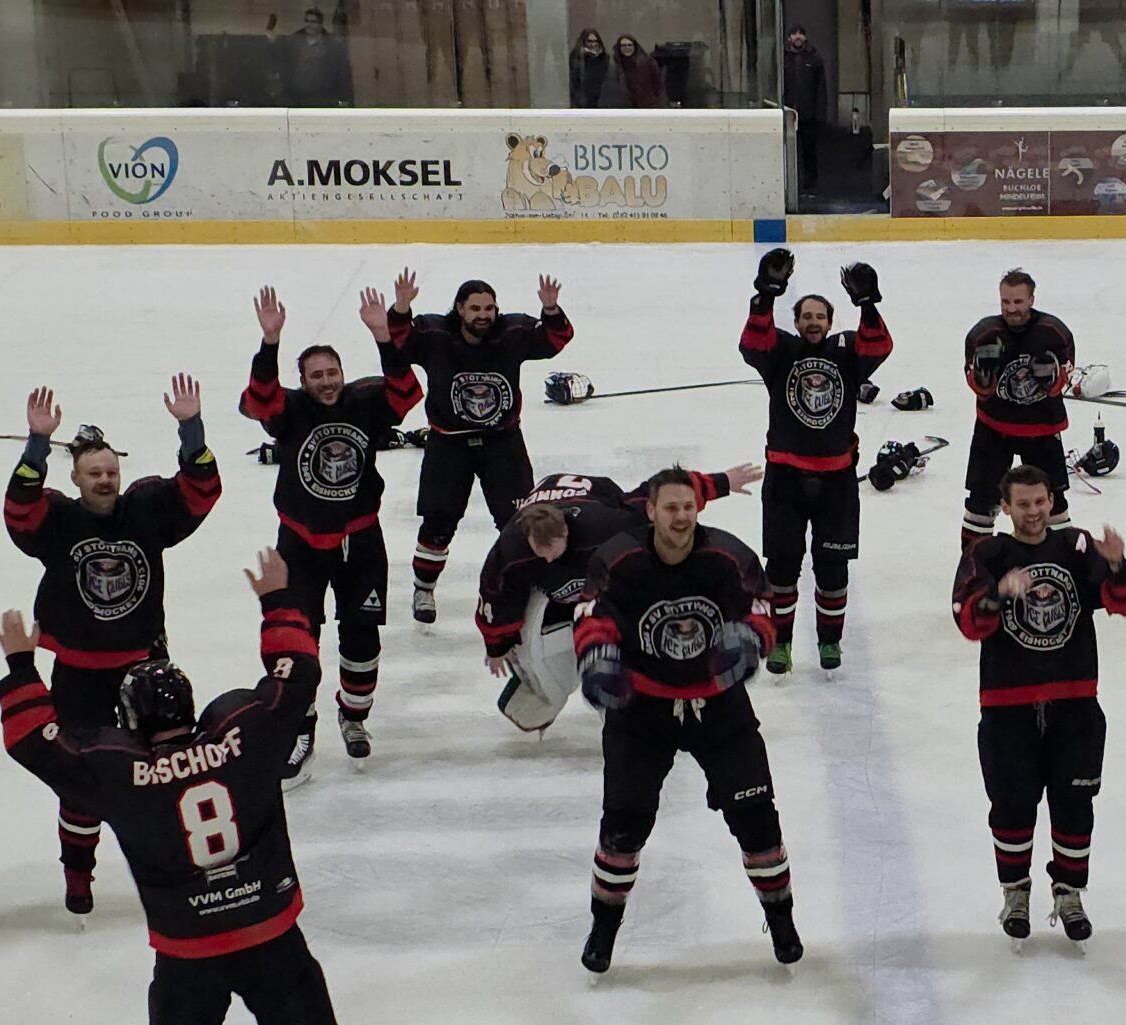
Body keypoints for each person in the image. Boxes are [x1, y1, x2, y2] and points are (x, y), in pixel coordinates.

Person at [0, 551, 388, 1025]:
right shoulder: (244, 733)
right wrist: (277, 603)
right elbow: (297, 676)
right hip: (271, 934)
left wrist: (23, 666)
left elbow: (31, 739)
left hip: (186, 952)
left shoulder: (118, 768)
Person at [5, 379, 221, 918]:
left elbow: (202, 490)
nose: (104, 481)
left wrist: (190, 429)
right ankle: (79, 877)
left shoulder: (146, 509)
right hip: (78, 672)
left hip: (144, 670)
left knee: (164, 771)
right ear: (74, 478)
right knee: (80, 783)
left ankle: (172, 868)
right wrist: (36, 445)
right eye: (93, 474)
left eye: (110, 473)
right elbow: (18, 510)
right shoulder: (58, 519)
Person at [571, 468, 798, 973]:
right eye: (670, 508)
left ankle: (781, 923)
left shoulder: (728, 556)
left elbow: (762, 604)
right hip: (641, 709)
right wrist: (598, 657)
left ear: (699, 510)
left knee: (758, 819)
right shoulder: (619, 559)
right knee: (623, 828)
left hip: (717, 706)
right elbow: (593, 614)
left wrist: (752, 637)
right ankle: (603, 930)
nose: (680, 517)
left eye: (688, 508)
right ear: (650, 510)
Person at [239, 281, 423, 785]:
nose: (326, 381)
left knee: (361, 640)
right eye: (316, 374)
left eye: (332, 372)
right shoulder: (290, 411)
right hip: (299, 544)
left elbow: (408, 394)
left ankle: (354, 715)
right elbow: (259, 398)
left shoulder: (364, 401)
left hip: (361, 542)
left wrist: (385, 337)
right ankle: (301, 727)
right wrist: (270, 342)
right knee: (298, 642)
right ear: (303, 380)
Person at [952, 466, 1126, 948]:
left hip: (1075, 704)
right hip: (1006, 707)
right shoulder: (987, 554)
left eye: (1041, 502)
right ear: (1005, 508)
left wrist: (1118, 565)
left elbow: (1124, 602)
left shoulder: (1076, 546)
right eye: (1023, 504)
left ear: (1052, 501)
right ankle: (1016, 892)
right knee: (1012, 805)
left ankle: (1070, 894)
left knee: (1075, 803)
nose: (1034, 512)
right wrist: (998, 594)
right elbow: (969, 621)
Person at [475, 464, 758, 736]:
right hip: (549, 588)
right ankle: (537, 688)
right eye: (539, 551)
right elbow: (494, 591)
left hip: (597, 505)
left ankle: (638, 711)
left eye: (552, 550)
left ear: (566, 533)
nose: (546, 558)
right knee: (531, 647)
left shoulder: (607, 525)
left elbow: (659, 495)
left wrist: (722, 482)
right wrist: (497, 644)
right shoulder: (513, 547)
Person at [388, 268, 573, 625]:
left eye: (489, 308)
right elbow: (398, 339)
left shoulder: (511, 333)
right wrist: (401, 307)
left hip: (502, 442)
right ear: (459, 309)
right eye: (475, 308)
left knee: (518, 520)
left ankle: (526, 587)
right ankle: (423, 588)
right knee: (439, 520)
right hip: (448, 444)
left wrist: (550, 309)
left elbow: (557, 339)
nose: (483, 315)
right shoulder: (435, 336)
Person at [738, 246, 892, 673]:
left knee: (831, 564)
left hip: (837, 480)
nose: (813, 322)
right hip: (785, 477)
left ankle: (829, 642)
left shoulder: (845, 354)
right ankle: (782, 643)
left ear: (829, 322)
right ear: (796, 321)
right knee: (783, 565)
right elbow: (752, 342)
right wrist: (765, 295)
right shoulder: (780, 353)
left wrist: (868, 305)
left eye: (820, 317)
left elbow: (879, 346)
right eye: (805, 316)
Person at [959, 270, 1077, 553]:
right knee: (980, 500)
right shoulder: (983, 333)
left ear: (1032, 299)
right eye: (1005, 302)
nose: (1011, 308)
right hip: (993, 427)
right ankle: (974, 563)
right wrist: (983, 380)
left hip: (1042, 429)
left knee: (1053, 500)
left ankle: (1061, 559)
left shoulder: (1054, 333)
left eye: (1018, 301)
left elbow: (1064, 379)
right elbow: (975, 384)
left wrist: (1053, 379)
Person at [782, 24, 831, 200]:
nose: (797, 37)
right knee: (787, 150)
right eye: (794, 34)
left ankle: (810, 185)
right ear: (789, 37)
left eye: (800, 34)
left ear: (805, 37)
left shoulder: (815, 58)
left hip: (807, 112)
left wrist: (820, 113)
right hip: (787, 112)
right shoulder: (781, 58)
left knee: (809, 150)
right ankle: (788, 183)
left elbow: (821, 89)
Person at [612, 34, 667, 108]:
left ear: (635, 46)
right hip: (626, 108)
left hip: (649, 106)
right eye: (623, 45)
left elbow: (659, 85)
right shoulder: (617, 66)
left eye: (629, 45)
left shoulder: (648, 62)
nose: (627, 47)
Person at [570, 28, 613, 107]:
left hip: (601, 101)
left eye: (595, 41)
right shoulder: (577, 57)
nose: (593, 44)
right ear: (583, 42)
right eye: (589, 41)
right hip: (582, 102)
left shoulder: (604, 57)